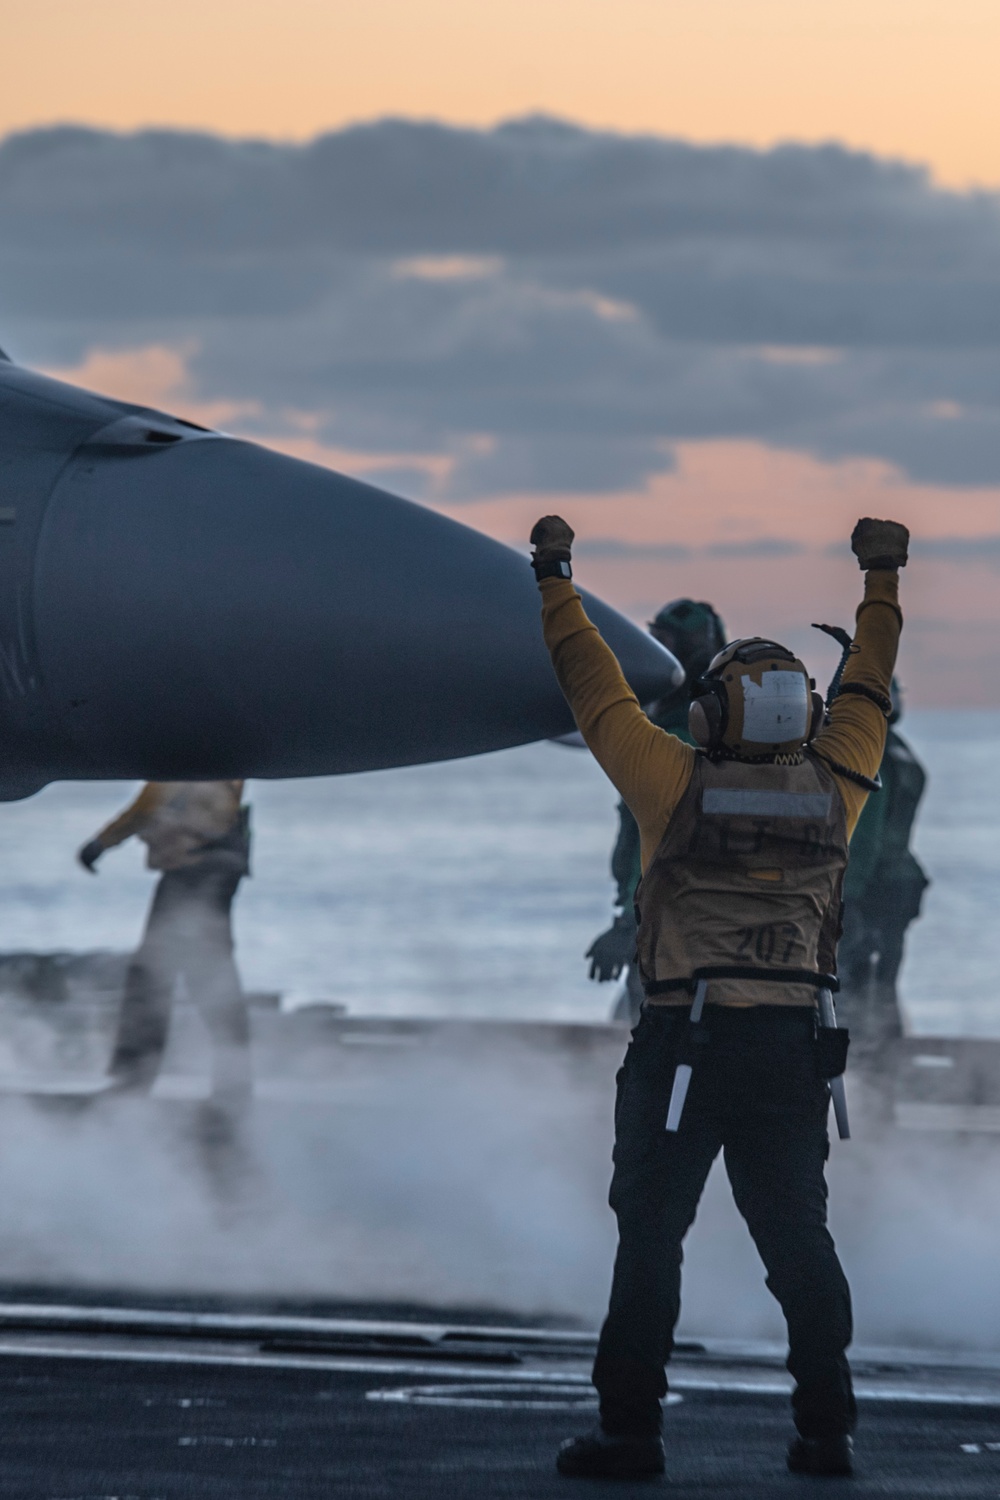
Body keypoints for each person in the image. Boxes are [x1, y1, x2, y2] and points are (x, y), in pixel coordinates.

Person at [529, 514, 908, 1480]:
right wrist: (882, 574)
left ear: (711, 717)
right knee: (800, 1244)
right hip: (794, 1053)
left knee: (651, 1240)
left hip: (685, 1052)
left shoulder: (669, 784)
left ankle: (630, 1433)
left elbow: (594, 685)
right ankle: (827, 1433)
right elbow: (868, 681)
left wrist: (556, 577)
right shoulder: (843, 782)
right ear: (806, 720)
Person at [587, 600, 726, 1025]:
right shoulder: (704, 733)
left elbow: (666, 843)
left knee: (651, 1043)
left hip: (669, 934)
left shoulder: (676, 741)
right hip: (695, 930)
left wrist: (631, 926)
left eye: (662, 643)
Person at [78, 781, 252, 1104]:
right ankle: (229, 1085)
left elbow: (147, 808)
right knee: (187, 974)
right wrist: (102, 843)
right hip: (198, 870)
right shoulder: (197, 761)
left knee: (166, 974)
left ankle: (136, 1082)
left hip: (199, 871)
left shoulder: (195, 764)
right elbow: (148, 807)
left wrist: (102, 843)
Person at [835, 680, 929, 1057]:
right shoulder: (902, 751)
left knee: (853, 988)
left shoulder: (870, 756)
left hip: (869, 888)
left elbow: (865, 837)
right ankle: (882, 1090)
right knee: (883, 988)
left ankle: (862, 1078)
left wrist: (845, 899)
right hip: (900, 882)